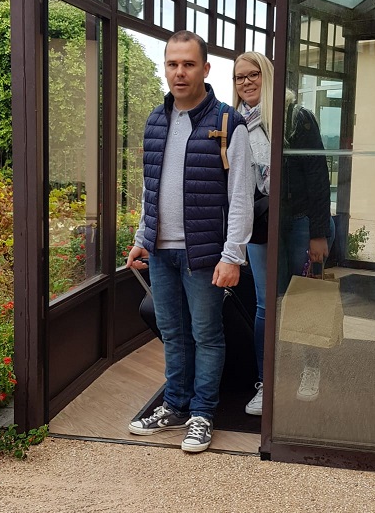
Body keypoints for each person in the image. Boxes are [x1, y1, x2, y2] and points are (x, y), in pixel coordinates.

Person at [126, 30, 255, 453]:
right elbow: (150, 187)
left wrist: (232, 255)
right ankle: (176, 405)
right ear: (166, 68)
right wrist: (143, 236)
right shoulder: (155, 120)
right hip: (161, 251)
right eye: (172, 64)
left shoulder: (227, 123)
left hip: (204, 253)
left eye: (188, 64)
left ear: (205, 69)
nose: (179, 72)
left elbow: (241, 196)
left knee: (206, 334)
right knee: (172, 332)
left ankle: (202, 413)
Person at [233, 51, 335, 416]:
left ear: (268, 76)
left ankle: (310, 369)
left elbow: (318, 175)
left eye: (253, 74)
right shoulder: (235, 123)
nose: (246, 82)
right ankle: (267, 381)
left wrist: (318, 233)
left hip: (300, 221)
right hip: (263, 224)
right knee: (266, 304)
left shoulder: (295, 116)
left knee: (305, 299)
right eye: (239, 77)